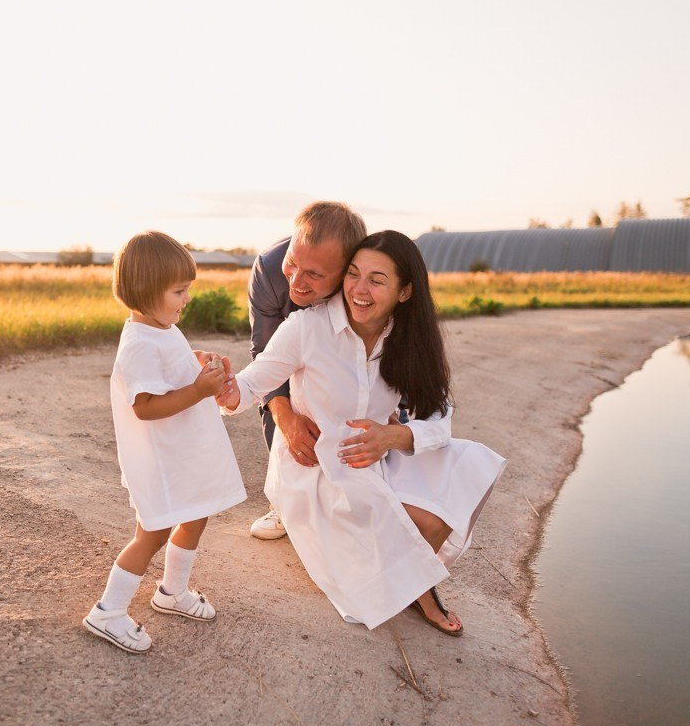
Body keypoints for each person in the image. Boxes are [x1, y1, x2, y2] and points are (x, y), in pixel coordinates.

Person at [221, 231, 505, 633]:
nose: (359, 288)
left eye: (376, 279)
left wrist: (394, 437)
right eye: (353, 274)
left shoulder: (408, 339)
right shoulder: (307, 328)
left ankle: (413, 580)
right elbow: (250, 385)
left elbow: (440, 415)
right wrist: (222, 385)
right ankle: (419, 587)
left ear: (404, 292)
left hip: (379, 456)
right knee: (370, 567)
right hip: (317, 467)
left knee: (463, 467)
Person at [82, 231, 246, 653]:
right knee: (152, 533)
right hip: (160, 460)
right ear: (146, 291)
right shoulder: (137, 343)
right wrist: (198, 390)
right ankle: (109, 611)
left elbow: (171, 363)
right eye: (179, 291)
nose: (187, 298)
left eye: (187, 289)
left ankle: (172, 591)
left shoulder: (161, 326)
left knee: (196, 514)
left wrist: (196, 363)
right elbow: (146, 406)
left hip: (182, 454)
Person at [246, 202, 366, 540]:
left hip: (346, 354)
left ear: (347, 272)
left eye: (314, 274)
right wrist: (285, 418)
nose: (297, 281)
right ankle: (284, 501)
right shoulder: (269, 269)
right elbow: (264, 356)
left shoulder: (364, 279)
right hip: (289, 349)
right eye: (293, 264)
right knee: (284, 403)